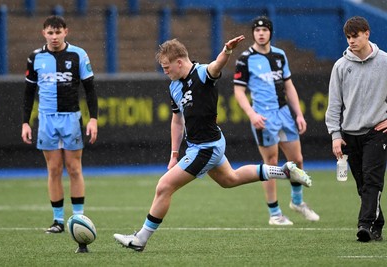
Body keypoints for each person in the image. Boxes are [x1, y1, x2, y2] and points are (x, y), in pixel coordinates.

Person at [114, 36, 312, 252]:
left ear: (179, 62)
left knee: (164, 186)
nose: (165, 71)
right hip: (204, 146)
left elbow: (217, 66)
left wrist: (226, 50)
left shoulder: (202, 73)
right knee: (230, 179)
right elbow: (177, 120)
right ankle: (283, 171)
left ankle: (140, 239)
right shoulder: (174, 87)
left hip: (206, 147)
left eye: (166, 67)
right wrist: (173, 153)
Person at [21, 15, 98, 252]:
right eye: (50, 33)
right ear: (44, 33)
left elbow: (90, 89)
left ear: (66, 31)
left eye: (58, 32)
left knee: (74, 168)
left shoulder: (78, 55)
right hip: (45, 120)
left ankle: (78, 217)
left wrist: (93, 118)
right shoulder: (35, 57)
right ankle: (57, 220)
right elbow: (28, 93)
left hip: (71, 119)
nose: (54, 37)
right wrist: (26, 122)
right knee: (53, 169)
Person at [233, 16, 319, 225]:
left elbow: (289, 86)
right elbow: (239, 91)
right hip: (264, 116)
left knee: (297, 160)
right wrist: (252, 114)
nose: (261, 33)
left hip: (284, 114)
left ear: (270, 32)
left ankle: (297, 202)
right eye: (257, 30)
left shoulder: (280, 55)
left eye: (265, 30)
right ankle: (275, 213)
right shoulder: (245, 58)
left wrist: (298, 113)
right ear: (253, 33)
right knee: (270, 163)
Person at [325, 16, 387, 242]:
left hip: (377, 132)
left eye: (356, 36)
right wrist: (335, 135)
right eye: (348, 37)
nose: (351, 41)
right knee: (363, 186)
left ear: (367, 33)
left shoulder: (385, 62)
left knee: (372, 181)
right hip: (350, 135)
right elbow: (334, 105)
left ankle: (365, 225)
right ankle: (377, 224)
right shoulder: (340, 66)